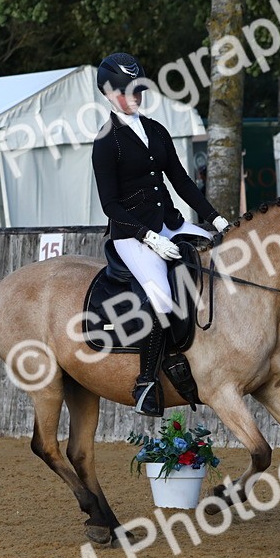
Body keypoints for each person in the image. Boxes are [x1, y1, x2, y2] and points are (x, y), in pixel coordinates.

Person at [91, 52, 230, 416]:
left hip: (171, 221)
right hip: (132, 235)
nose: (134, 96)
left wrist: (217, 221)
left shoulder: (155, 129)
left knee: (225, 260)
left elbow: (181, 181)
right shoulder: (106, 141)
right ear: (108, 93)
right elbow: (110, 205)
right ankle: (146, 383)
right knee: (162, 301)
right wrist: (148, 239)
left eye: (138, 89)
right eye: (126, 90)